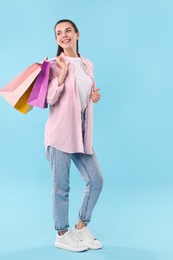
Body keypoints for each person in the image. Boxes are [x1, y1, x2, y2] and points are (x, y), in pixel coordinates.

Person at [45, 19, 104, 252]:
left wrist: (92, 96)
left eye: (68, 31)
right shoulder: (53, 64)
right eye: (59, 33)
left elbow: (83, 94)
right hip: (59, 132)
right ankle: (61, 233)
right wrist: (61, 75)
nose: (64, 35)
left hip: (80, 132)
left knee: (96, 179)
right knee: (61, 187)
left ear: (77, 34)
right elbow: (49, 99)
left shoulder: (88, 64)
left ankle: (81, 227)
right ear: (56, 39)